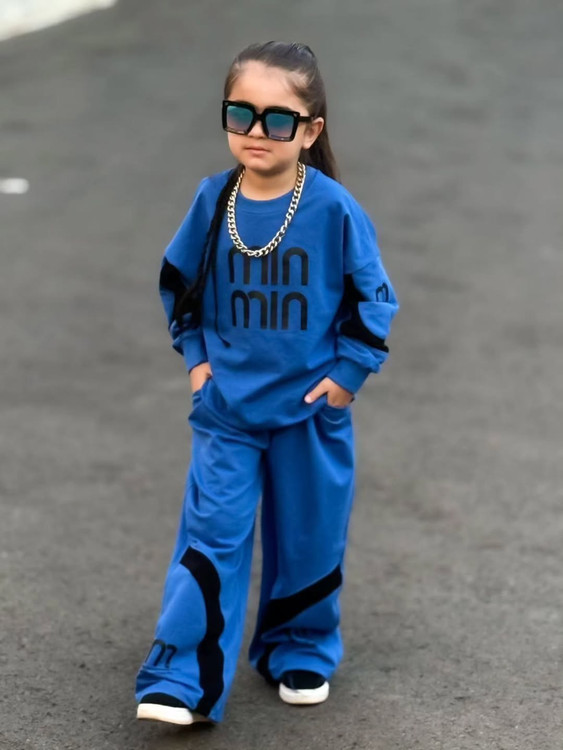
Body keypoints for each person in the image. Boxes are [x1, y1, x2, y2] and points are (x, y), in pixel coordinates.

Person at [135, 40, 399, 726]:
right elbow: (180, 285)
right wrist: (197, 361)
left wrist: (345, 378)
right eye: (240, 113)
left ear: (310, 130)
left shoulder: (333, 208)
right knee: (212, 535)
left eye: (278, 119)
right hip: (227, 410)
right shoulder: (212, 200)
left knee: (310, 535)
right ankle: (182, 678)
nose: (257, 131)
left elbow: (374, 297)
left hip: (310, 411)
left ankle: (300, 646)